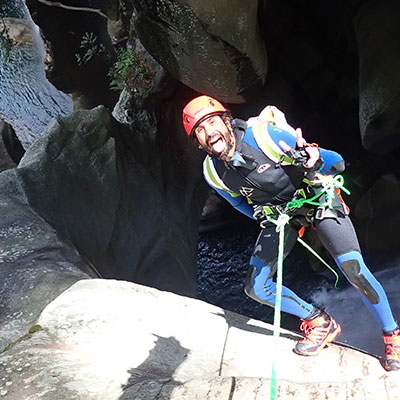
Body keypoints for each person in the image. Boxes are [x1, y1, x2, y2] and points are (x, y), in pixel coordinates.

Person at [182, 95, 400, 371]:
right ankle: (320, 322)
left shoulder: (263, 137)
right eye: (200, 130)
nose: (209, 132)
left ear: (227, 121)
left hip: (317, 201)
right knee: (256, 287)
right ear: (197, 142)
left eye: (213, 122)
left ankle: (392, 335)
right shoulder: (213, 172)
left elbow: (338, 163)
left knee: (354, 270)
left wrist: (314, 159)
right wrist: (261, 216)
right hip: (282, 216)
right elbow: (237, 201)